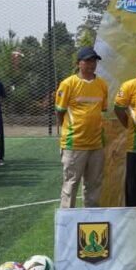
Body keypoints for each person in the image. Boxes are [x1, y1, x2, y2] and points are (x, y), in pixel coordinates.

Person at [54, 48, 108, 208]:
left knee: (94, 185)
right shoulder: (68, 84)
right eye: (88, 61)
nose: (92, 64)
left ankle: (90, 218)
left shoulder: (102, 84)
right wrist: (67, 132)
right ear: (78, 63)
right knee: (70, 184)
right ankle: (67, 220)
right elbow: (60, 112)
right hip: (74, 144)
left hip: (97, 143)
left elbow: (102, 110)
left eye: (94, 61)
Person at [114, 54, 136, 207]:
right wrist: (129, 124)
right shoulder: (129, 85)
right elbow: (119, 109)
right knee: (133, 185)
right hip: (135, 145)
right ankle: (132, 218)